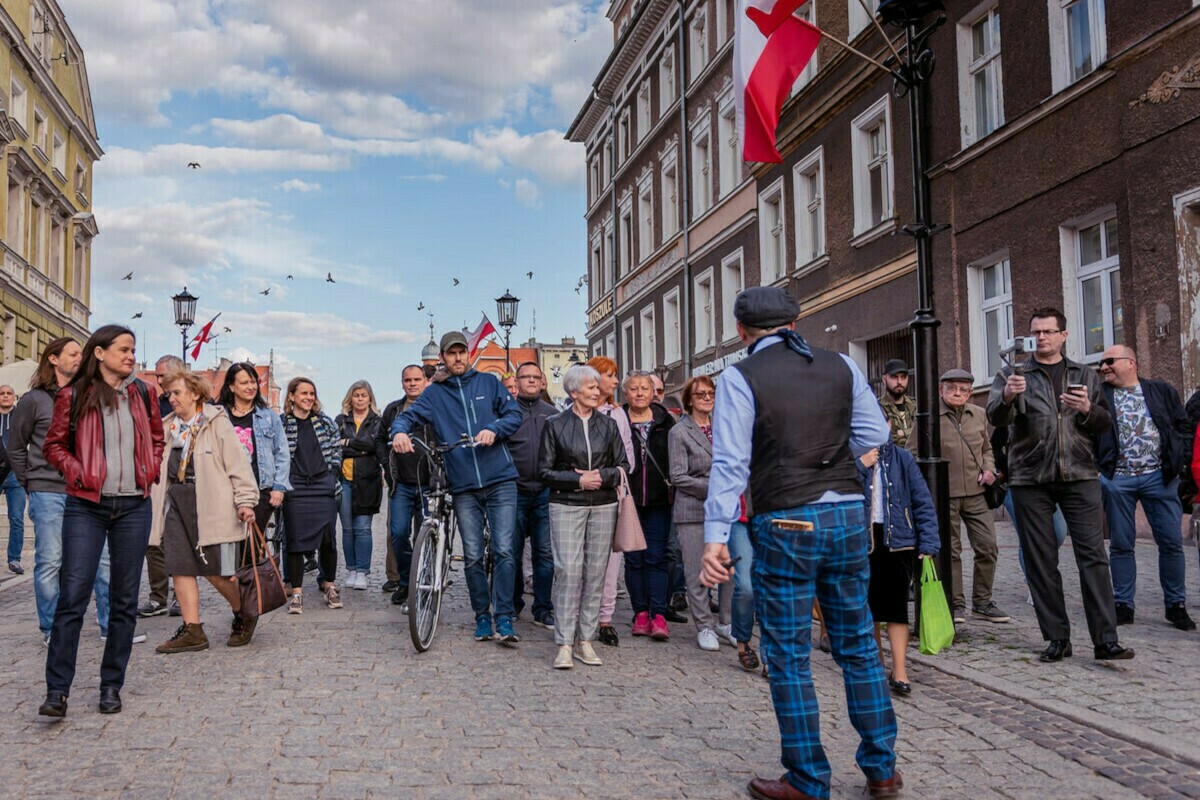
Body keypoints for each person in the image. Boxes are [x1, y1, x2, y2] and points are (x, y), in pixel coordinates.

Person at [700, 287, 902, 800]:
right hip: (847, 513)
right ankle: (882, 768)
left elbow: (730, 463)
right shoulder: (840, 366)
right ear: (796, 320)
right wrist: (833, 461)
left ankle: (809, 778)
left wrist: (715, 537)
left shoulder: (740, 376)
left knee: (788, 653)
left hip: (787, 516)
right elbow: (874, 432)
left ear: (742, 331)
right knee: (857, 645)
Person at [986, 307, 1133, 663]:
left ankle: (1105, 640)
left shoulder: (1084, 373)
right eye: (1036, 332)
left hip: (1079, 474)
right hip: (1029, 477)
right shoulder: (1013, 372)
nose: (1042, 338)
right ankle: (1057, 639)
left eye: (1049, 332)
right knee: (1040, 561)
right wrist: (1007, 396)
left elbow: (1103, 423)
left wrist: (1086, 409)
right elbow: (995, 418)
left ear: (1063, 336)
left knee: (1093, 557)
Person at [39, 325, 165, 718]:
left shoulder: (144, 394)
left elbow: (158, 439)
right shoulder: (73, 395)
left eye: (133, 350)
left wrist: (152, 467)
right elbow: (53, 445)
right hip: (86, 506)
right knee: (72, 596)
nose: (130, 356)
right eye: (124, 350)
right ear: (100, 353)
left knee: (125, 600)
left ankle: (111, 686)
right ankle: (57, 691)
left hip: (133, 507)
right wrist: (77, 472)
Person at [391, 331, 522, 644]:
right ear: (444, 359)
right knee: (474, 554)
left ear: (469, 354)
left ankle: (503, 617)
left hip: (500, 478)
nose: (458, 358)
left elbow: (514, 414)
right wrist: (399, 433)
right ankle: (481, 615)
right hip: (463, 483)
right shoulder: (435, 394)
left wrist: (494, 429)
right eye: (452, 354)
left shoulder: (489, 383)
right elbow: (406, 418)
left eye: (462, 352)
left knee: (504, 549)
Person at [8, 337, 119, 646]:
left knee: (104, 559)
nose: (79, 358)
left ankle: (111, 626)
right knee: (51, 561)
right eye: (72, 353)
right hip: (48, 491)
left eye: (80, 354)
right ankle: (52, 630)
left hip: (87, 490)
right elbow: (16, 447)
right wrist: (29, 482)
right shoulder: (34, 400)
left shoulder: (89, 395)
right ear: (53, 359)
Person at [151, 370, 259, 653]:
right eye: (168, 394)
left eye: (176, 393)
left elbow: (238, 465)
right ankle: (193, 630)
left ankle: (245, 612)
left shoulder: (216, 423)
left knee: (216, 571)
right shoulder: (167, 428)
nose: (171, 398)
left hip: (211, 502)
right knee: (180, 567)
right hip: (177, 501)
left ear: (195, 394)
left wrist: (245, 500)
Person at [1095, 345, 1195, 631]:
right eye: (1102, 363)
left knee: (1172, 544)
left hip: (1159, 478)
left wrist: (1180, 461)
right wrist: (1100, 471)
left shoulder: (1160, 390)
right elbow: (1086, 429)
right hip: (1118, 479)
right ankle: (1123, 605)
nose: (1104, 368)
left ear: (1131, 362)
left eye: (1110, 362)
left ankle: (1176, 606)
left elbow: (1182, 425)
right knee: (1121, 545)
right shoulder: (1101, 395)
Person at [538, 364, 629, 668]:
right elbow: (544, 472)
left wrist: (600, 476)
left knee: (595, 573)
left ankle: (585, 641)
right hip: (566, 504)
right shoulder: (555, 425)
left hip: (603, 505)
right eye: (590, 387)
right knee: (568, 570)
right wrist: (577, 481)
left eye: (596, 386)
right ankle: (564, 642)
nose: (596, 390)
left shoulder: (609, 425)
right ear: (574, 391)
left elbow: (623, 466)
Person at [918, 369, 1008, 625]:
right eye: (952, 388)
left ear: (970, 392)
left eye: (963, 389)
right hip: (944, 495)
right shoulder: (928, 416)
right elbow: (913, 453)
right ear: (940, 390)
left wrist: (989, 469)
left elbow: (986, 448)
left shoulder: (978, 415)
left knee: (988, 546)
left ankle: (982, 601)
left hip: (977, 493)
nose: (957, 393)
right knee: (951, 551)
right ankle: (956, 604)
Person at [858, 439, 940, 697]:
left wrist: (928, 541)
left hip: (899, 540)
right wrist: (859, 466)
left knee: (896, 607)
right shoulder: (852, 454)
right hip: (864, 540)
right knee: (868, 606)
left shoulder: (902, 458)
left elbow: (922, 501)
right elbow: (837, 491)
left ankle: (900, 669)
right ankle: (876, 662)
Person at [668, 376, 732, 652]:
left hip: (726, 509)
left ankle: (726, 622)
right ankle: (704, 625)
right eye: (700, 394)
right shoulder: (680, 432)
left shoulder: (725, 428)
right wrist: (715, 487)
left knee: (729, 568)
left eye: (711, 393)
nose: (707, 398)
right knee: (696, 571)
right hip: (693, 509)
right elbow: (678, 476)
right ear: (689, 400)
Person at [281, 377, 343, 614]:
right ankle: (296, 592)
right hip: (295, 487)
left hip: (322, 485)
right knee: (295, 540)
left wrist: (333, 474)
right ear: (292, 396)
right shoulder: (283, 423)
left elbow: (337, 449)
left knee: (328, 539)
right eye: (303, 393)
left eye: (311, 394)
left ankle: (329, 585)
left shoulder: (325, 423)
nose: (308, 398)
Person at [624, 369, 676, 640]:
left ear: (654, 393)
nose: (640, 393)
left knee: (656, 557)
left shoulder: (667, 423)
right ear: (625, 393)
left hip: (658, 501)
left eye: (645, 388)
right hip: (628, 501)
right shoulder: (617, 421)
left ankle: (658, 615)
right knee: (634, 559)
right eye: (634, 388)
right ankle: (640, 612)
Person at [376, 365, 433, 607]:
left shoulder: (435, 408)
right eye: (407, 380)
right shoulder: (393, 410)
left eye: (416, 379)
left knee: (426, 536)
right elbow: (379, 440)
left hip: (429, 485)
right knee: (398, 534)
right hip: (401, 484)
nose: (412, 383)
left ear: (425, 381)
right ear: (402, 383)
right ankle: (406, 581)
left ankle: (424, 583)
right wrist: (387, 466)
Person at [588, 355, 634, 647]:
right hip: (577, 496)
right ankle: (582, 616)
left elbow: (628, 458)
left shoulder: (618, 415)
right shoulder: (569, 411)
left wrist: (608, 476)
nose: (616, 381)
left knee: (610, 563)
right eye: (610, 375)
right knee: (579, 562)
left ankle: (605, 619)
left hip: (610, 494)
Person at [508, 361, 558, 629]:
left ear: (542, 382)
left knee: (544, 554)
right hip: (513, 491)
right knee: (511, 552)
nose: (529, 381)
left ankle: (543, 607)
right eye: (524, 377)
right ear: (516, 382)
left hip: (545, 492)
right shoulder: (506, 413)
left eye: (534, 377)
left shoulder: (553, 414)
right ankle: (513, 604)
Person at [217, 362, 291, 533]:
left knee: (252, 545)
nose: (250, 387)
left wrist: (278, 488)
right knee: (228, 547)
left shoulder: (268, 417)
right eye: (244, 383)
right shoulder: (219, 416)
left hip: (260, 491)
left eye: (253, 382)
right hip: (226, 490)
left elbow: (282, 453)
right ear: (232, 386)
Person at [138, 354, 185, 618]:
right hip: (156, 476)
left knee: (180, 538)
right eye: (156, 375)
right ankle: (158, 597)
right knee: (153, 538)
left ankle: (181, 595)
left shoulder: (195, 403)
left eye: (161, 375)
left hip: (184, 478)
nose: (157, 380)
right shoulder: (153, 403)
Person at [336, 380, 384, 590]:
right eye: (356, 395)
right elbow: (334, 447)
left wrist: (348, 443)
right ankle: (352, 569)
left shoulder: (377, 421)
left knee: (363, 528)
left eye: (364, 395)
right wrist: (361, 448)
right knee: (347, 529)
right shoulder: (341, 420)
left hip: (368, 481)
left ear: (370, 398)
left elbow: (374, 445)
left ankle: (363, 571)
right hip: (344, 480)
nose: (360, 399)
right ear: (350, 398)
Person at [0, 384, 26, 574]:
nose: (5, 396)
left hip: (15, 474)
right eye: (2, 393)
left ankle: (14, 559)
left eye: (9, 393)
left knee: (16, 518)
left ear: (14, 396)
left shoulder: (21, 416)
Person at [878, 360, 916, 447]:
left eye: (903, 377)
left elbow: (923, 432)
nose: (899, 382)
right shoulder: (877, 407)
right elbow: (883, 438)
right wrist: (911, 432)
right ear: (884, 379)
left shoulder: (915, 405)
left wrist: (903, 433)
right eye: (894, 377)